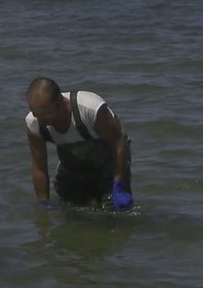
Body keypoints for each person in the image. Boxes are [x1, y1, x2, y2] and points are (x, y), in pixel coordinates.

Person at [25, 78, 133, 211]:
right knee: (72, 212)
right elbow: (39, 167)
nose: (40, 119)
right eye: (36, 113)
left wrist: (119, 184)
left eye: (44, 114)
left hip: (109, 163)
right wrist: (43, 203)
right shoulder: (34, 123)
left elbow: (118, 142)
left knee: (114, 210)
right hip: (73, 167)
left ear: (61, 102)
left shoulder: (89, 109)